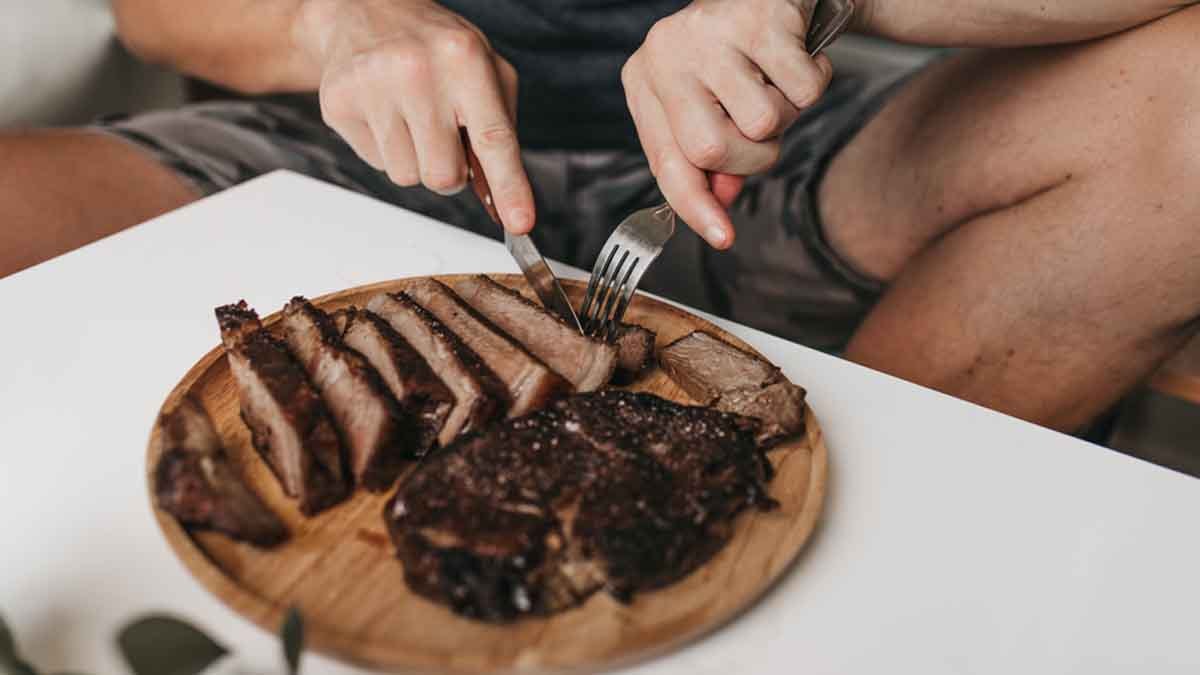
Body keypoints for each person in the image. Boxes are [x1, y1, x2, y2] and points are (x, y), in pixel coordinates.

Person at [3, 0, 1198, 433]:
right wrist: (333, 20)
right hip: (345, 157)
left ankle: (858, 522)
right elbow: (151, 11)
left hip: (778, 148)